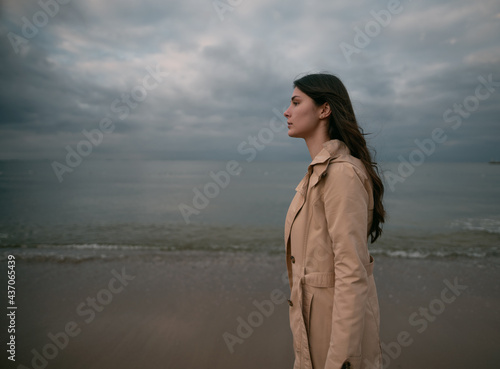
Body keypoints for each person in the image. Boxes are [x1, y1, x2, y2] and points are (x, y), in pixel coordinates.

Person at [283, 73, 385, 369]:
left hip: (335, 343)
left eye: (296, 102)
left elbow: (351, 273)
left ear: (324, 109)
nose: (287, 112)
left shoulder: (340, 174)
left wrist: (341, 361)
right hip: (313, 333)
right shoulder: (316, 174)